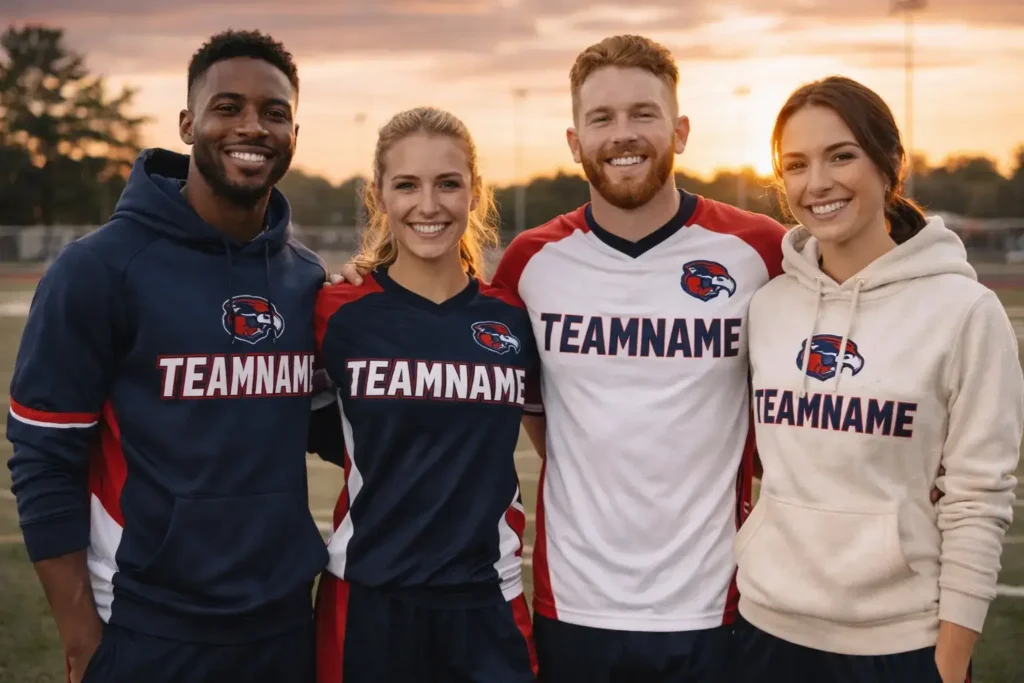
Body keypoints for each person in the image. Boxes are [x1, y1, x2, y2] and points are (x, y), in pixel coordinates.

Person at [335, 35, 788, 681]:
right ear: (574, 141)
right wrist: (370, 273)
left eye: (643, 113)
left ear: (680, 130)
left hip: (716, 604)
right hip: (570, 603)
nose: (622, 134)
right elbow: (533, 411)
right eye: (601, 118)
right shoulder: (531, 262)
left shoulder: (758, 249)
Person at [6, 30, 332, 683]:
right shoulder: (98, 270)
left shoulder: (305, 278)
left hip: (285, 626)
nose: (252, 126)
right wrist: (80, 636)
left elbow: (333, 425)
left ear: (295, 130)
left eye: (273, 112)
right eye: (228, 107)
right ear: (187, 123)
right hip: (149, 628)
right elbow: (44, 458)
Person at [731, 75, 1023, 683]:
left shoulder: (964, 311)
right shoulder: (770, 306)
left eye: (842, 155)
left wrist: (949, 663)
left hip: (901, 644)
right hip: (765, 633)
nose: (818, 183)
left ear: (891, 165)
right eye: (796, 164)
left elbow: (979, 498)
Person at [313, 106, 539, 683]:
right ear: (379, 196)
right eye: (407, 185)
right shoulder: (334, 311)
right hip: (368, 601)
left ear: (475, 192)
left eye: (448, 184)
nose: (429, 205)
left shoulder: (514, 317)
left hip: (486, 603)